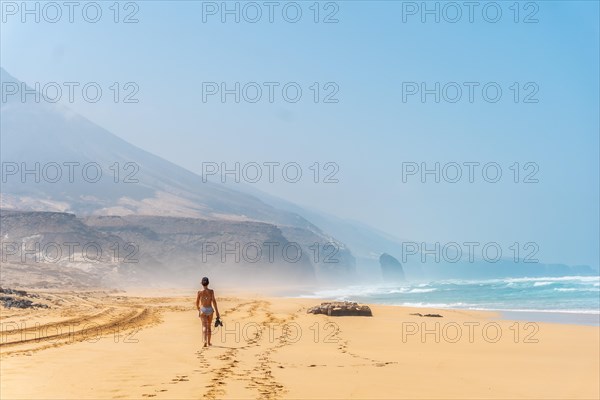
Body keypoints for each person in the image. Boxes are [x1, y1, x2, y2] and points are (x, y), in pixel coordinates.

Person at [196, 277, 220, 347]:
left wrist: (199, 310)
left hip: (203, 309)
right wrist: (217, 312)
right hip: (210, 309)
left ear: (202, 283)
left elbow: (197, 303)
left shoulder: (199, 292)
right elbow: (214, 302)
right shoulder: (211, 291)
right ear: (208, 283)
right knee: (209, 326)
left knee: (204, 326)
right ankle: (209, 342)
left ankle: (205, 341)